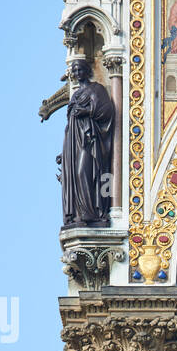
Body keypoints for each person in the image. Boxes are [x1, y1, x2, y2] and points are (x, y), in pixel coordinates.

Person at [59, 58, 115, 228]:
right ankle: (79, 214)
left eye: (79, 70)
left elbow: (106, 110)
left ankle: (93, 213)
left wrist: (87, 110)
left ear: (87, 71)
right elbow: (70, 126)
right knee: (75, 175)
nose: (76, 73)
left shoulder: (96, 89)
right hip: (74, 143)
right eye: (74, 71)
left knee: (85, 172)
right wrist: (64, 152)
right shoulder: (75, 95)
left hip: (90, 141)